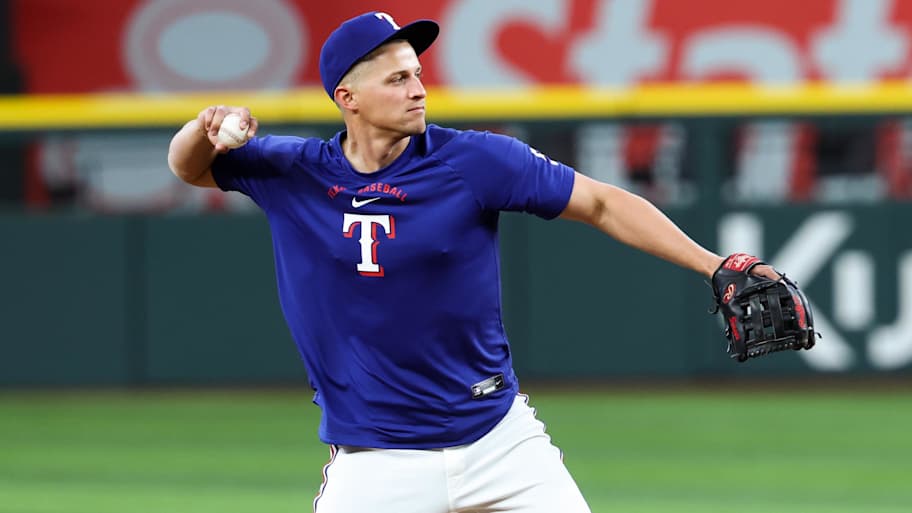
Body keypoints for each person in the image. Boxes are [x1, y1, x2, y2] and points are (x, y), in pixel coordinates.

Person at [167, 11, 780, 513]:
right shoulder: (292, 170)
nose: (417, 89)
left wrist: (712, 264)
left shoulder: (474, 161)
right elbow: (187, 167)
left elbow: (600, 203)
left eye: (417, 74)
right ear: (347, 97)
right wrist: (204, 127)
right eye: (397, 79)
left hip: (500, 443)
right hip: (377, 462)